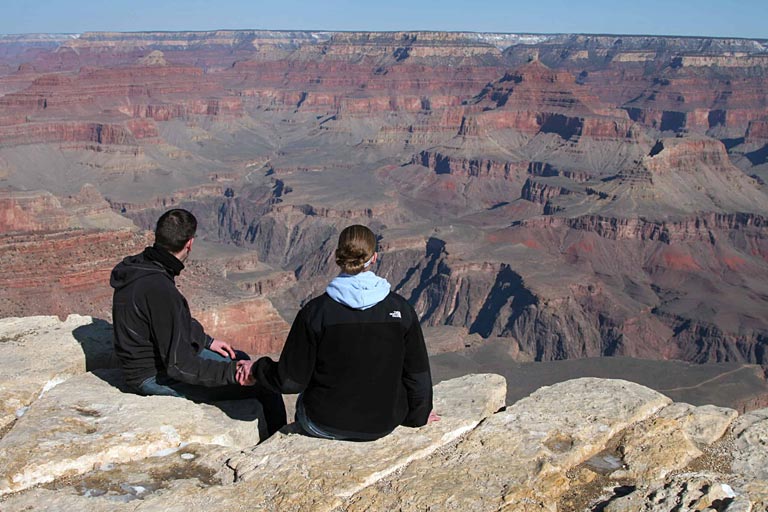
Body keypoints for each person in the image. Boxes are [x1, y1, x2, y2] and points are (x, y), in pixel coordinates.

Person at [237, 224, 437, 441]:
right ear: (375, 258)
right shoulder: (402, 310)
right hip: (383, 423)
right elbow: (418, 375)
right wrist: (419, 416)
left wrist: (257, 369)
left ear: (337, 257)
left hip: (324, 423)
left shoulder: (316, 312)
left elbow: (291, 381)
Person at [110, 208, 286, 436]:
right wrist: (232, 374)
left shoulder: (141, 266)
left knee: (239, 357)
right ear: (190, 243)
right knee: (264, 384)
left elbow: (168, 320)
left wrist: (206, 341)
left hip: (153, 364)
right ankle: (275, 447)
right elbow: (179, 365)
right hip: (151, 377)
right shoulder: (159, 289)